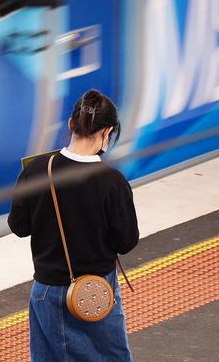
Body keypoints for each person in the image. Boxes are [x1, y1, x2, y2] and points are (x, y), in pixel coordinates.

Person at [8, 89, 139, 362]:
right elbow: (126, 242)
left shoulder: (37, 170)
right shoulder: (112, 181)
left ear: (71, 124)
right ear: (108, 132)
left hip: (47, 291)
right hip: (94, 292)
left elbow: (19, 226)